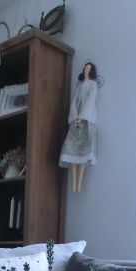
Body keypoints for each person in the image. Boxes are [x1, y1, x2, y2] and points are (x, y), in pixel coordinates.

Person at [59, 62, 98, 192]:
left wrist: (82, 116)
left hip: (86, 120)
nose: (86, 70)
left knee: (83, 152)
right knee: (72, 151)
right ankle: (74, 183)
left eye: (89, 69)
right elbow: (74, 101)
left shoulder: (93, 84)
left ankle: (79, 183)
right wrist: (75, 116)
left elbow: (90, 101)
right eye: (85, 68)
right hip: (76, 120)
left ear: (91, 71)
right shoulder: (79, 84)